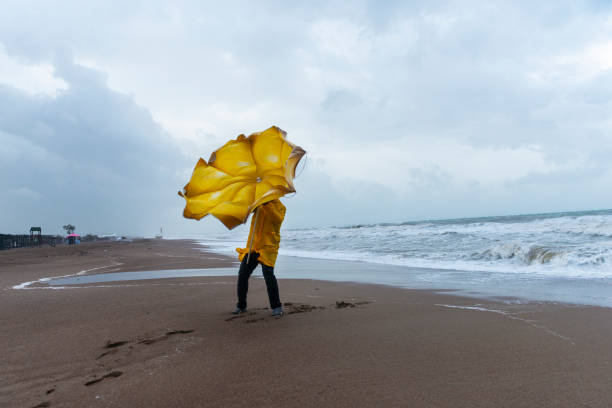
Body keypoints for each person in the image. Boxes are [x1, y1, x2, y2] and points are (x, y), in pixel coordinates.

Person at [233, 199, 286, 317]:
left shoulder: (280, 207)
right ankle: (241, 305)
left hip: (268, 248)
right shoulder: (257, 204)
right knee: (242, 274)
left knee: (268, 275)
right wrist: (252, 207)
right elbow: (245, 215)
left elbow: (277, 220)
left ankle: (277, 307)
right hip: (253, 247)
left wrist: (266, 204)